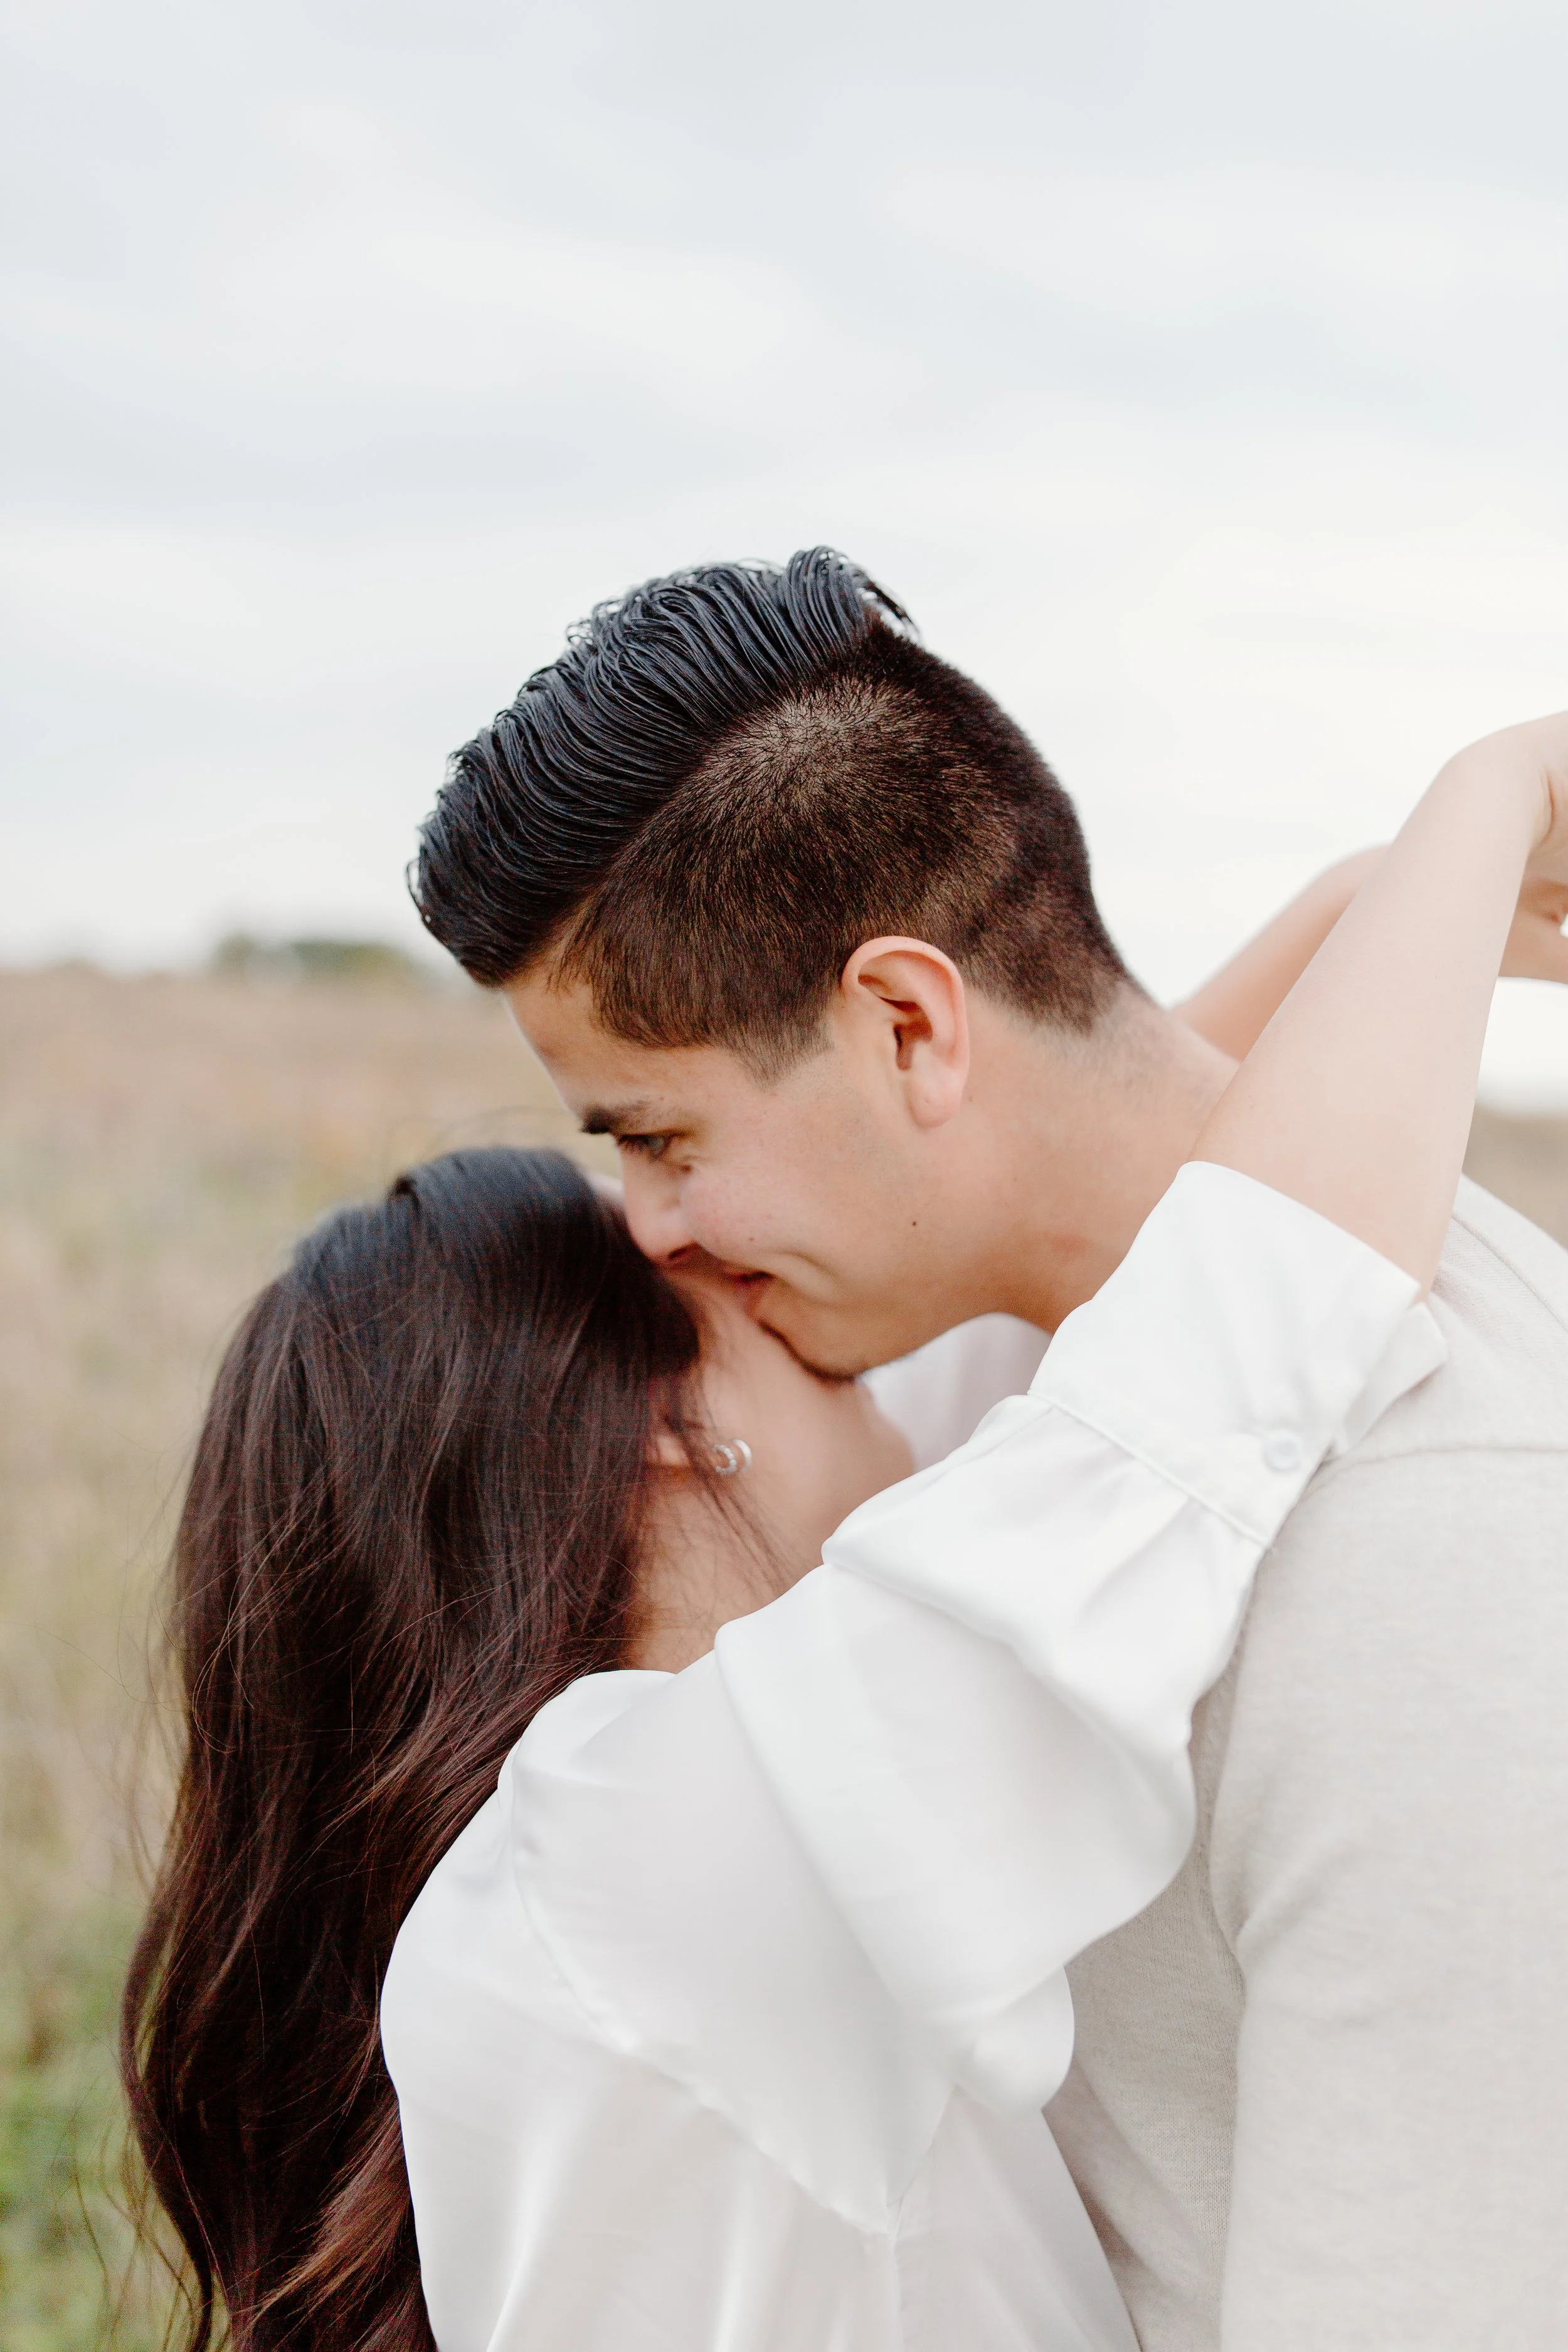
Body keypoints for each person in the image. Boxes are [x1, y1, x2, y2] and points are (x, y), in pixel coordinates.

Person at [412, 553, 1568, 2352]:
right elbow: (1189, 1262)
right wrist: (1451, 832)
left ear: (903, 1025)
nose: (647, 1232)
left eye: (657, 1132)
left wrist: (1404, 874)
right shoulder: (980, 1446)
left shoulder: (1438, 1547)